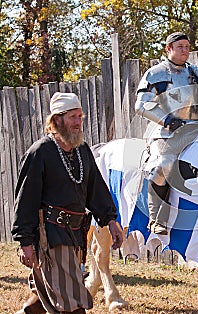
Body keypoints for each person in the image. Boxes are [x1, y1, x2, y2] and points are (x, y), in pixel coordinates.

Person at [11, 92, 124, 314]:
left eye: (80, 116)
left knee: (40, 302)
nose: (78, 123)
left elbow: (96, 190)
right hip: (50, 238)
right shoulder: (40, 152)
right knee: (72, 304)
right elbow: (25, 200)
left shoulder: (82, 151)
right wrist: (25, 241)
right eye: (72, 117)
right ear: (57, 120)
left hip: (75, 236)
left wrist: (110, 220)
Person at [135, 31, 198, 235]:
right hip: (167, 133)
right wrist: (167, 119)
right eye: (180, 46)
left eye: (187, 46)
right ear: (169, 49)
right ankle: (157, 219)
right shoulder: (155, 74)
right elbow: (141, 105)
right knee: (163, 166)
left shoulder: (197, 73)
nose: (185, 50)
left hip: (197, 128)